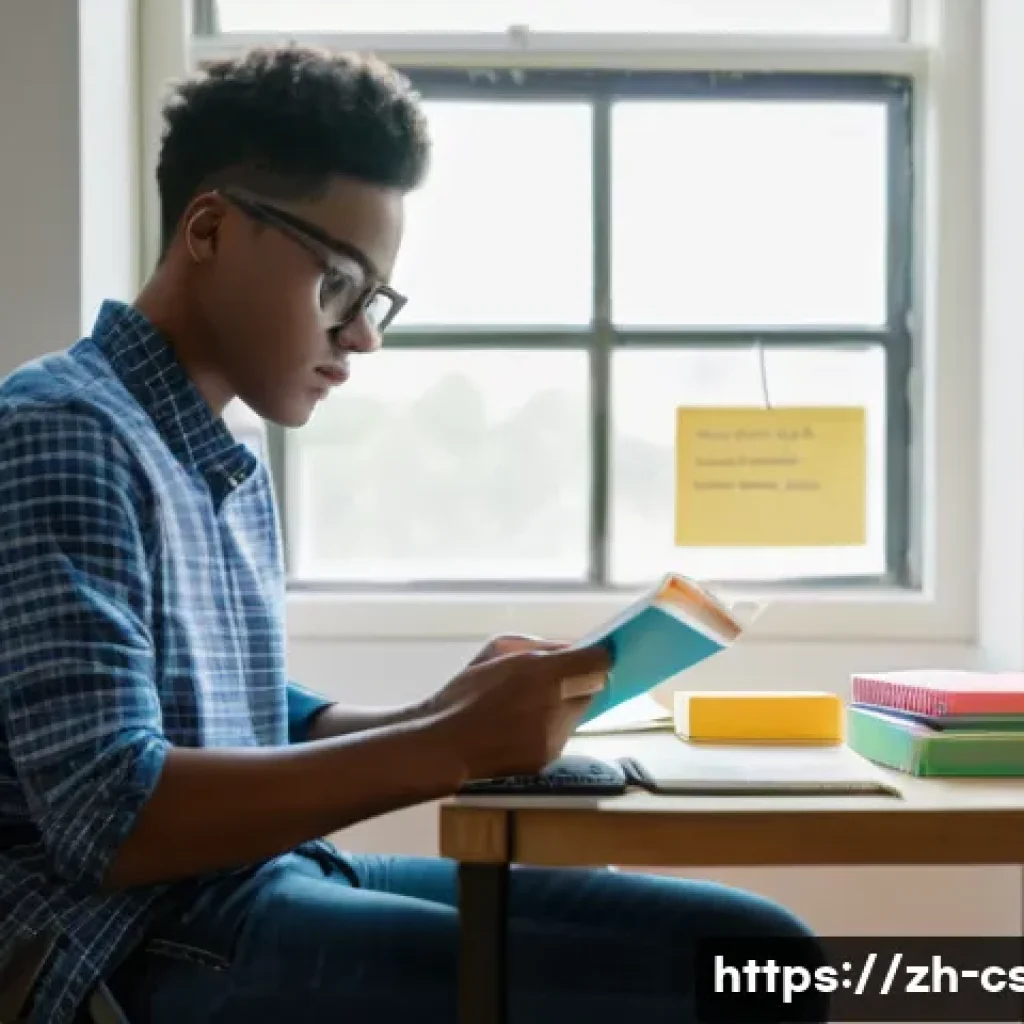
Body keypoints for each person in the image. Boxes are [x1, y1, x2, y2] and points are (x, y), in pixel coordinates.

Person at [0, 46, 824, 1024]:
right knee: (738, 977)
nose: (362, 337)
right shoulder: (60, 430)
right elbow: (112, 814)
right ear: (210, 228)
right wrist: (447, 745)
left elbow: (241, 714)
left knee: (759, 953)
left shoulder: (222, 452)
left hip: (255, 884)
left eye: (377, 299)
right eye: (340, 284)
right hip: (128, 941)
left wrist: (442, 714)